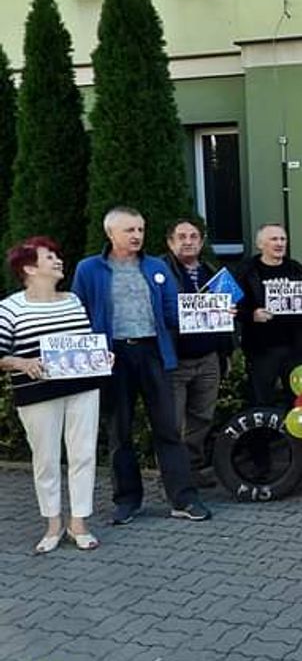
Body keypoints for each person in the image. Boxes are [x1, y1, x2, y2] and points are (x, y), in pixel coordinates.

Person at [72, 207, 210, 525]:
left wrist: (210, 316)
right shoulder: (89, 269)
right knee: (120, 431)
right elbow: (78, 313)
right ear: (111, 234)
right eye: (129, 230)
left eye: (140, 229)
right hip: (113, 357)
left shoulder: (154, 266)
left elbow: (173, 311)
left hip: (154, 353)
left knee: (168, 429)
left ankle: (183, 498)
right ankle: (127, 501)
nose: (136, 236)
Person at [0, 238, 106, 552]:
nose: (58, 260)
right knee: (46, 459)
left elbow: (84, 343)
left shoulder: (73, 300)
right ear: (29, 268)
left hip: (82, 389)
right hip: (37, 394)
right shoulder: (9, 308)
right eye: (50, 257)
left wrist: (101, 358)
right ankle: (53, 524)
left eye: (57, 255)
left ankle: (79, 523)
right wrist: (22, 362)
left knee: (83, 454)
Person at [164, 218, 234, 486]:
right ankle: (173, 476)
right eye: (181, 237)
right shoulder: (161, 271)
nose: (188, 241)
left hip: (208, 359)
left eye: (193, 236)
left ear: (201, 242)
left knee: (202, 417)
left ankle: (192, 470)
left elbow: (229, 316)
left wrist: (225, 352)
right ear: (170, 242)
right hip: (175, 360)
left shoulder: (213, 272)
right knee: (173, 422)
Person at [235, 223, 302, 405]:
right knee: (261, 399)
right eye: (274, 239)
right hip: (262, 348)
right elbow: (233, 308)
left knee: (298, 398)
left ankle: (296, 433)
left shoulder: (296, 268)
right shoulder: (246, 270)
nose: (280, 243)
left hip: (296, 346)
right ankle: (265, 434)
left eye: (283, 239)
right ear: (260, 244)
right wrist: (252, 315)